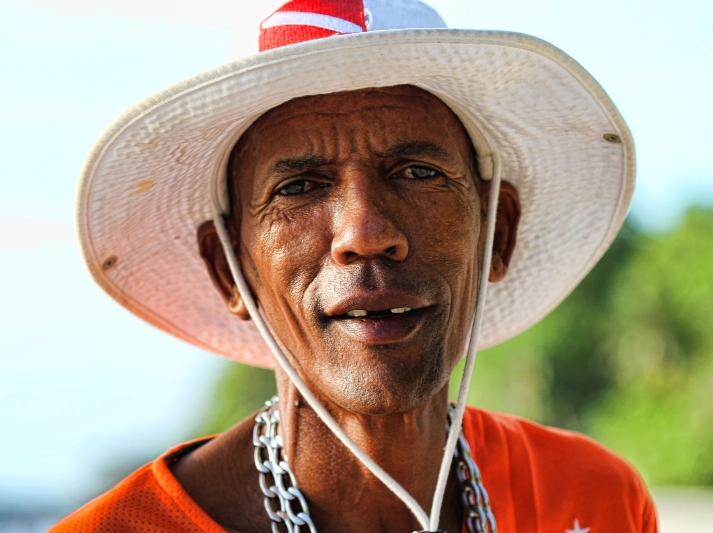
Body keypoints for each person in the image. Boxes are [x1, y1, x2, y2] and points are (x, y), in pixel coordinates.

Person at [52, 0, 658, 531]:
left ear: (497, 233)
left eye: (417, 173)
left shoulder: (596, 498)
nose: (366, 234)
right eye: (300, 187)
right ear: (228, 267)